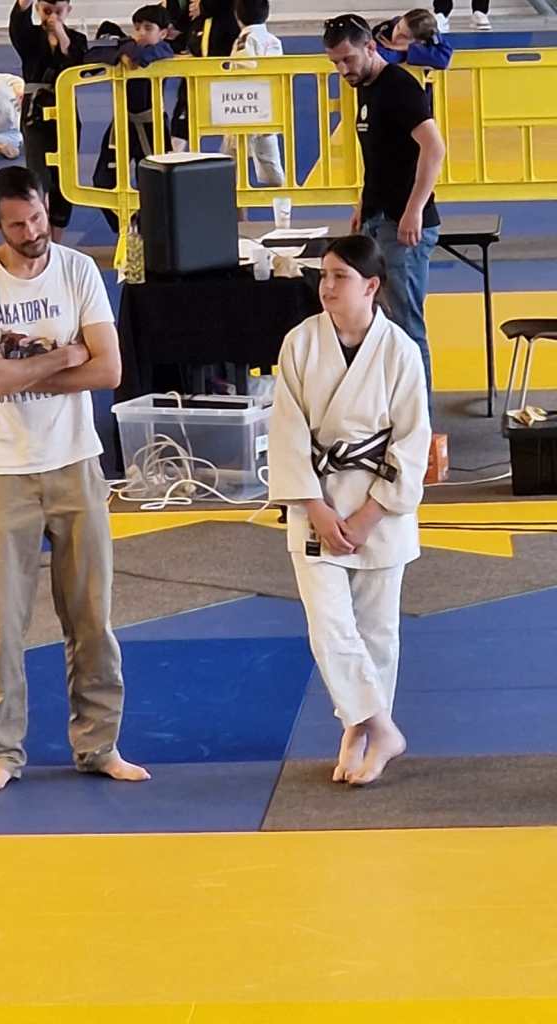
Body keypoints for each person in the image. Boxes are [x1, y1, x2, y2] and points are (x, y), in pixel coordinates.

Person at [0, 165, 150, 793]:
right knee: (3, 627)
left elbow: (109, 371)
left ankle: (100, 746)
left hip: (75, 463)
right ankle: (3, 754)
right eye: (17, 224)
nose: (32, 231)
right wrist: (65, 354)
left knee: (92, 620)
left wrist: (22, 368)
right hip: (2, 472)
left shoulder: (79, 271)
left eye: (37, 217)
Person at [268, 235, 431, 786]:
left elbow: (412, 442)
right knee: (329, 627)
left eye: (341, 276)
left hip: (378, 506)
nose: (328, 286)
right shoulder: (299, 343)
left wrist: (368, 515)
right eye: (324, 275)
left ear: (371, 286)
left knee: (378, 631)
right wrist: (314, 506)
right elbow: (286, 431)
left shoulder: (400, 350)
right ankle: (380, 726)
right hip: (316, 500)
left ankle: (359, 733)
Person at [323, 13, 446, 405]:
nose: (343, 69)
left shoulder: (399, 86)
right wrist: (363, 203)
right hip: (377, 217)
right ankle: (389, 408)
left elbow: (434, 148)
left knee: (407, 325)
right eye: (336, 63)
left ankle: (419, 419)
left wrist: (414, 209)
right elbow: (379, 156)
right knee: (380, 324)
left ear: (371, 47)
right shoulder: (366, 88)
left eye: (348, 59)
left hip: (403, 224)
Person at [9, 0, 88, 243]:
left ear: (68, 11)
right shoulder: (30, 37)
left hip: (65, 112)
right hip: (35, 114)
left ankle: (57, 242)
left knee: (64, 178)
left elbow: (76, 63)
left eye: (58, 11)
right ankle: (40, 238)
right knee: (39, 176)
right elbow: (17, 23)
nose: (52, 16)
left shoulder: (77, 39)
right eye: (46, 11)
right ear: (37, 9)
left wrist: (60, 33)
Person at [92, 5, 175, 232]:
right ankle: (127, 228)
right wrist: (124, 49)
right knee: (103, 181)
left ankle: (152, 233)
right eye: (137, 28)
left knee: (157, 183)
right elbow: (93, 54)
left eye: (148, 28)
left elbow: (145, 56)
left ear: (163, 33)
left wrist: (126, 50)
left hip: (152, 125)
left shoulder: (164, 49)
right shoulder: (128, 47)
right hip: (122, 122)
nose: (140, 33)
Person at [222, 0, 285, 191]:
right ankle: (283, 206)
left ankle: (231, 207)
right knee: (272, 165)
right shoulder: (273, 40)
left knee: (232, 162)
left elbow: (244, 69)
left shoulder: (245, 39)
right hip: (268, 111)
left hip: (245, 109)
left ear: (237, 16)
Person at [171, 0, 240, 150]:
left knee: (232, 114)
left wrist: (204, 6)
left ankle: (234, 157)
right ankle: (174, 156)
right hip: (196, 65)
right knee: (183, 112)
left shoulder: (228, 14)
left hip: (225, 66)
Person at [373, 8, 452, 70]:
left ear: (417, 43)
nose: (396, 35)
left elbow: (443, 59)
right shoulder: (386, 30)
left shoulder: (396, 54)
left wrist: (408, 48)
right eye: (398, 27)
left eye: (403, 36)